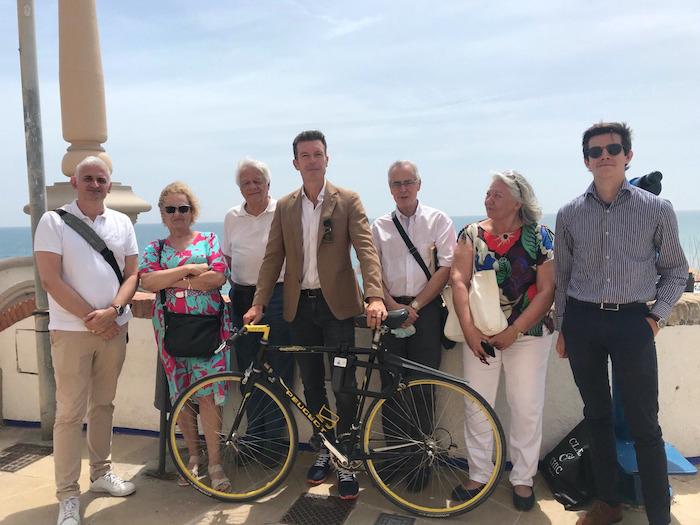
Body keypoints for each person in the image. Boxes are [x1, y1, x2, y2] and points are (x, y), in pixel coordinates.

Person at [555, 122, 688, 525]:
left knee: (645, 423)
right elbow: (562, 275)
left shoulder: (656, 209)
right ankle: (608, 504)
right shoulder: (569, 214)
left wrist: (654, 317)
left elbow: (676, 270)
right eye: (595, 151)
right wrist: (563, 327)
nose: (605, 156)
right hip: (582, 323)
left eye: (613, 148)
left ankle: (659, 516)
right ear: (586, 161)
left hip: (633, 322)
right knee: (596, 415)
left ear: (628, 155)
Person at [243, 130, 387, 500]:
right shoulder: (287, 206)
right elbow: (273, 256)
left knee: (343, 384)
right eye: (304, 155)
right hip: (299, 307)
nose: (311, 160)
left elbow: (366, 250)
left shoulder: (348, 200)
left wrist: (374, 295)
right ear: (295, 163)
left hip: (337, 307)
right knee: (311, 385)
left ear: (327, 159)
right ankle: (324, 447)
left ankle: (347, 460)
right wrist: (258, 303)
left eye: (317, 154)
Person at [34, 156, 139, 525]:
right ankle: (67, 495)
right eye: (88, 178)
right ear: (75, 183)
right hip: (72, 332)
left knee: (104, 406)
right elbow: (50, 279)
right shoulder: (53, 221)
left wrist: (114, 310)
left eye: (101, 179)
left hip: (114, 327)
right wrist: (92, 320)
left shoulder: (122, 222)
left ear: (109, 185)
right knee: (68, 415)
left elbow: (132, 274)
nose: (95, 184)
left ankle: (100, 474)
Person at [450, 170, 555, 511]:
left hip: (529, 334)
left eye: (497, 194)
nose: (488, 199)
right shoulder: (471, 233)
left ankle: (523, 479)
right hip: (479, 333)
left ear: (518, 200)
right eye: (488, 193)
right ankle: (479, 473)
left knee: (526, 406)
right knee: (476, 404)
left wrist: (515, 330)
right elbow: (458, 280)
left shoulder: (541, 237)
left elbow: (547, 290)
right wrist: (470, 330)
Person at [139, 182, 232, 491]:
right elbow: (150, 281)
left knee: (208, 397)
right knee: (182, 397)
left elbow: (217, 277)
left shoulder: (209, 239)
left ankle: (215, 462)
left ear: (193, 211)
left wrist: (176, 281)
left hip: (209, 330)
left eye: (183, 208)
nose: (177, 214)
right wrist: (192, 269)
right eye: (171, 209)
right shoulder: (156, 248)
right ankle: (193, 457)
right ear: (163, 214)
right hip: (171, 330)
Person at [370, 160, 456, 489]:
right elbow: (371, 269)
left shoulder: (438, 220)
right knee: (390, 387)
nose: (402, 188)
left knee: (423, 387)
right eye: (396, 184)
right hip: (390, 310)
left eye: (408, 182)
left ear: (419, 184)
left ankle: (422, 460)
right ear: (389, 189)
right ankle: (395, 457)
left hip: (427, 310)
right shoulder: (379, 225)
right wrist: (394, 306)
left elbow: (445, 268)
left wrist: (416, 306)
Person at [222, 158, 294, 463]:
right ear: (240, 187)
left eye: (257, 182)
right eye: (246, 183)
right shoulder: (231, 217)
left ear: (268, 184)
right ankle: (254, 437)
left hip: (277, 297)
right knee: (248, 369)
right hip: (241, 297)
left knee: (278, 369)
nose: (252, 187)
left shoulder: (283, 212)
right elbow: (227, 258)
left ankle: (276, 443)